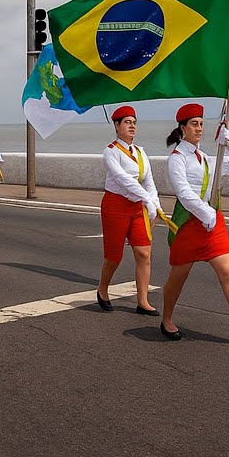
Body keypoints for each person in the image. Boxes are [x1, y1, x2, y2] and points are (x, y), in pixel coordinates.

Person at [160, 103, 229, 346]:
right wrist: (206, 213)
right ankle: (166, 319)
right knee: (178, 277)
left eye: (201, 124)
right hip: (189, 224)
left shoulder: (206, 158)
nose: (199, 128)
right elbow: (184, 193)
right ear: (182, 128)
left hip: (213, 223)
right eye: (194, 124)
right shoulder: (177, 158)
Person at [97, 106, 162, 315]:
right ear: (116, 126)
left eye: (134, 122)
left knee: (144, 253)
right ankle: (103, 289)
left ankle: (143, 301)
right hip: (115, 206)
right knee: (114, 257)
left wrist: (155, 203)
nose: (132, 126)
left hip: (136, 207)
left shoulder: (141, 152)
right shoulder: (111, 151)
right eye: (127, 122)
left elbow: (148, 180)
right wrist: (146, 198)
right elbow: (123, 179)